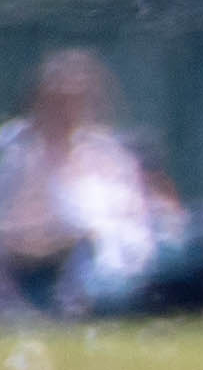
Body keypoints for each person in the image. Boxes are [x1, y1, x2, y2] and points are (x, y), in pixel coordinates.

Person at [0, 50, 163, 313]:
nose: (65, 111)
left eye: (76, 101)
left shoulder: (107, 154)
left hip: (92, 270)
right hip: (20, 265)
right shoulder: (14, 149)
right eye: (57, 100)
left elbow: (130, 223)